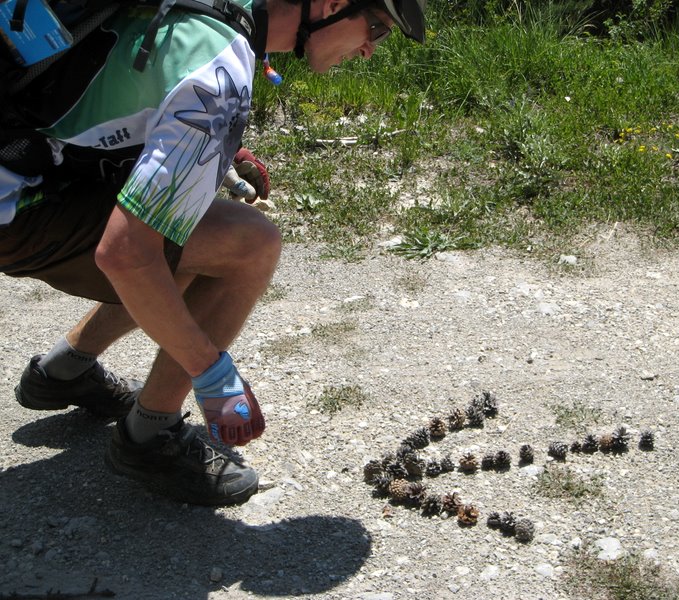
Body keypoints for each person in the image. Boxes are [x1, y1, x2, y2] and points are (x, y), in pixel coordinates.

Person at [0, 0, 426, 506]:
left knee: (178, 217)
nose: (370, 51)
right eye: (375, 26)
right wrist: (212, 374)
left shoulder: (213, 6)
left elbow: (125, 82)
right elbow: (126, 255)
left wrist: (221, 155)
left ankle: (64, 371)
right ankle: (149, 436)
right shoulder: (222, 73)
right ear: (332, 4)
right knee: (247, 245)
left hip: (26, 151)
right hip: (18, 202)